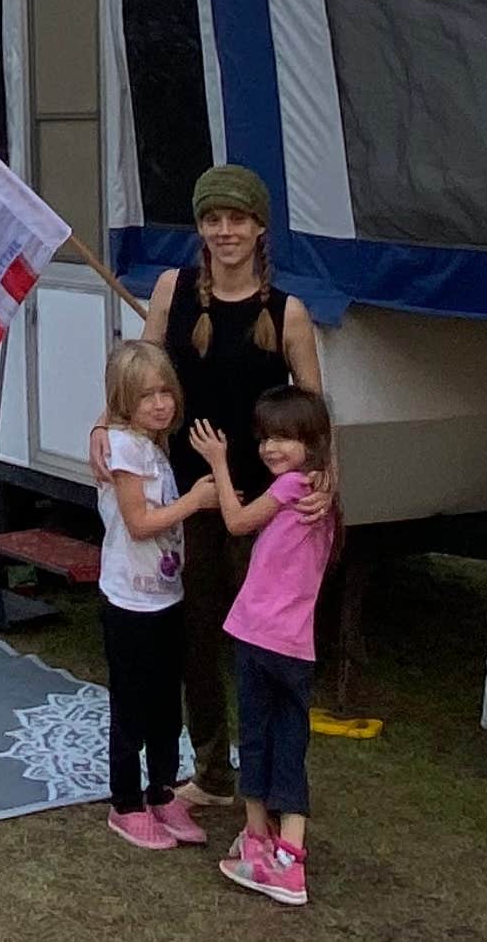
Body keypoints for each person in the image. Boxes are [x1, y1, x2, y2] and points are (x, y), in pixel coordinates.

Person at [144, 163, 324, 805]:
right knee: (195, 637)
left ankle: (266, 774)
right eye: (213, 220)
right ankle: (213, 771)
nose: (225, 231)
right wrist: (106, 439)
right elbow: (140, 389)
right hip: (189, 498)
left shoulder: (288, 312)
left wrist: (324, 486)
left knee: (259, 644)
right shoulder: (172, 291)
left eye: (238, 219)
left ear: (259, 228)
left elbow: (314, 419)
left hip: (264, 507)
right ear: (200, 228)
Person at [191, 384, 337, 908]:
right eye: (266, 438)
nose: (271, 448)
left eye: (284, 438)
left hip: (259, 638)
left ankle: (263, 847)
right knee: (289, 743)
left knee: (256, 737)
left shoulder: (296, 486)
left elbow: (234, 521)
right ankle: (286, 852)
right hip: (295, 647)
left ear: (311, 443)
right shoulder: (319, 489)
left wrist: (218, 462)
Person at [86, 340, 222, 850]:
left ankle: (162, 790)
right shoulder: (123, 448)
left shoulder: (154, 444)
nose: (161, 404)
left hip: (165, 595)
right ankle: (125, 803)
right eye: (147, 397)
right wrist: (194, 501)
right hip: (129, 601)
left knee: (167, 702)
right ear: (123, 402)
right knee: (133, 704)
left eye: (166, 392)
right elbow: (139, 523)